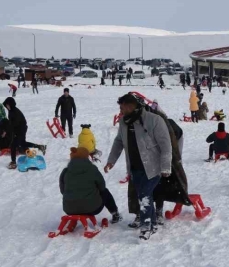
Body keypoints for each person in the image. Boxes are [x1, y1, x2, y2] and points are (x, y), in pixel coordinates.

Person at [105, 94, 172, 240]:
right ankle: (153, 223)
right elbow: (118, 141)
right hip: (135, 167)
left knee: (144, 196)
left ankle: (146, 226)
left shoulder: (154, 120)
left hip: (153, 167)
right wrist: (111, 161)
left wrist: (165, 167)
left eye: (122, 107)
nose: (120, 110)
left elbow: (166, 145)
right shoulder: (124, 121)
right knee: (145, 195)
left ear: (131, 106)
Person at [59, 147, 122, 224]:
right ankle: (115, 214)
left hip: (69, 209)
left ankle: (74, 208)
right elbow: (102, 186)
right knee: (105, 191)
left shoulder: (65, 171)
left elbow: (63, 191)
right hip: (92, 209)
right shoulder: (92, 169)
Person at [3, 97, 47, 170]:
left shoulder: (15, 112)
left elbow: (15, 124)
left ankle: (13, 162)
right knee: (23, 143)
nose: (7, 106)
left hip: (21, 129)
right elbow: (12, 123)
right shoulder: (11, 111)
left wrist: (9, 131)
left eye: (8, 105)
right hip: (19, 129)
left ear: (11, 104)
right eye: (6, 105)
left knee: (13, 145)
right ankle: (40, 147)